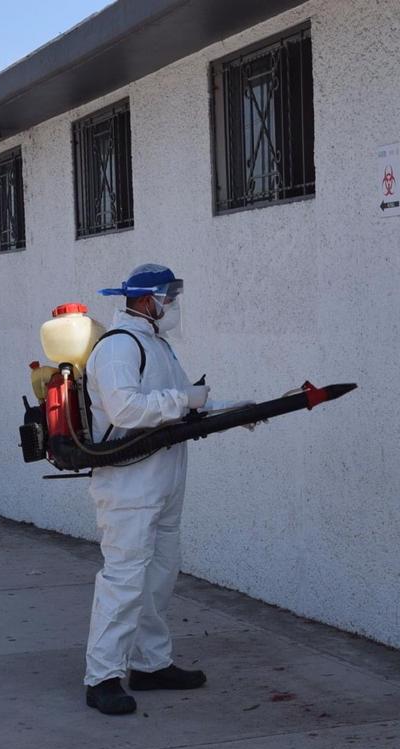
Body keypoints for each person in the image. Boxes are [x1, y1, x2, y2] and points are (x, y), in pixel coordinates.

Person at [82, 263, 251, 716]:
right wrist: (185, 400)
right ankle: (102, 676)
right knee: (124, 578)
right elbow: (127, 410)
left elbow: (180, 407)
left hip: (164, 478)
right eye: (167, 296)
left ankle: (151, 664)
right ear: (143, 301)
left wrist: (232, 409)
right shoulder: (119, 347)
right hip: (128, 483)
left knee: (159, 576)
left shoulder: (157, 344)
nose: (173, 304)